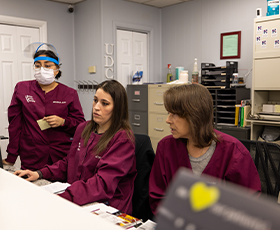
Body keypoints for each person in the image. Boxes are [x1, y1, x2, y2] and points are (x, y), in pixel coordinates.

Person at [14, 80, 137, 214]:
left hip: (107, 207)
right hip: (78, 198)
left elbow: (101, 185)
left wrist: (64, 197)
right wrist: (39, 173)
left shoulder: (123, 139)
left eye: (105, 103)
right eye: (95, 100)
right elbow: (69, 162)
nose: (96, 107)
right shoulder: (84, 128)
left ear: (118, 108)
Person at [149, 84, 261, 215]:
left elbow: (249, 206)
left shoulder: (234, 152)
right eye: (168, 113)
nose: (168, 120)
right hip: (176, 225)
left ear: (194, 116)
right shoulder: (166, 147)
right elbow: (158, 197)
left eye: (174, 114)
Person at [4, 43, 85, 170]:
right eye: (38, 66)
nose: (42, 69)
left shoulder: (70, 93)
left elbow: (80, 125)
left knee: (60, 189)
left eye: (47, 66)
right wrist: (11, 156)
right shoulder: (22, 88)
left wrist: (63, 122)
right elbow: (15, 125)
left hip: (61, 156)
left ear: (57, 69)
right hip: (32, 154)